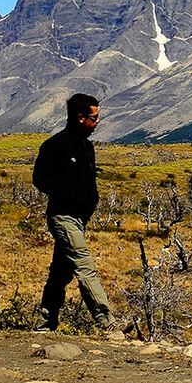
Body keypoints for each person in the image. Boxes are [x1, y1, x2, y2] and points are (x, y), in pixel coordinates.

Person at [32, 93, 116, 331]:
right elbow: (40, 179)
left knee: (61, 272)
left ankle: (45, 323)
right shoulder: (54, 146)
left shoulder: (87, 146)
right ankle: (106, 322)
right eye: (94, 117)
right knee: (84, 265)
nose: (98, 121)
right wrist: (66, 194)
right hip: (63, 215)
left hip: (80, 218)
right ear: (81, 118)